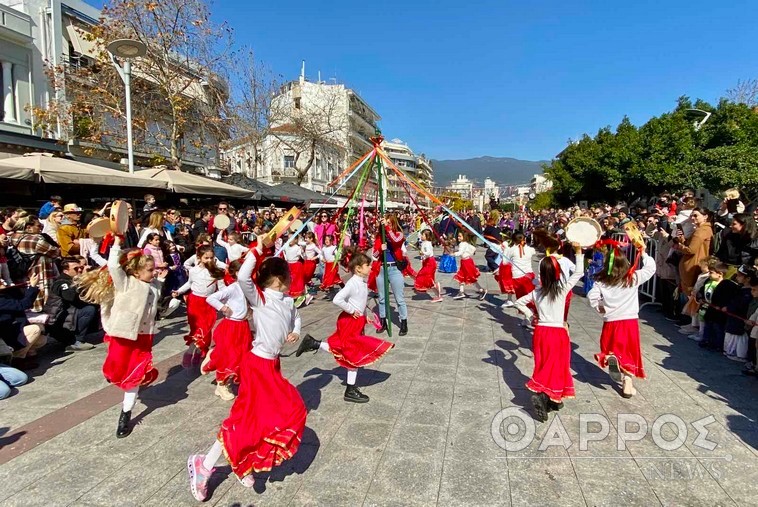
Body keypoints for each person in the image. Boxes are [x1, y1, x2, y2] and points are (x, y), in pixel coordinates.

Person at [187, 242, 306, 500]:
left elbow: (296, 316)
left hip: (271, 364)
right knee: (247, 420)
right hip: (257, 365)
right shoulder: (261, 297)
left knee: (273, 415)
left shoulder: (287, 300)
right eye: (288, 274)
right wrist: (258, 249)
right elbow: (243, 276)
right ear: (279, 278)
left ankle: (239, 460)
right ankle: (204, 466)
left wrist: (296, 331)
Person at [76, 236, 164, 438]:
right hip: (123, 334)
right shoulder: (126, 283)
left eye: (154, 270)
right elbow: (114, 265)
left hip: (144, 337)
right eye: (150, 270)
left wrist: (162, 280)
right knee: (116, 368)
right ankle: (113, 374)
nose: (154, 272)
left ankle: (125, 414)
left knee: (135, 377)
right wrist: (116, 243)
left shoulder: (154, 285)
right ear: (135, 272)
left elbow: (153, 303)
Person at [296, 252, 394, 402]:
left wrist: (364, 314)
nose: (370, 267)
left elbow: (360, 301)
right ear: (358, 269)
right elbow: (337, 299)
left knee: (348, 351)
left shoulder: (361, 281)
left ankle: (314, 344)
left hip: (356, 320)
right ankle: (350, 389)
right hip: (349, 321)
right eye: (367, 265)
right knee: (352, 353)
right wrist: (352, 310)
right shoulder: (353, 283)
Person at [514, 242, 584, 422]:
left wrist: (531, 317)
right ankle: (543, 394)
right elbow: (578, 273)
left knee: (544, 363)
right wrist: (578, 252)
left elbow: (518, 302)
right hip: (557, 332)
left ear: (541, 273)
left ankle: (553, 398)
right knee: (558, 365)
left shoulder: (536, 293)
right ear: (557, 273)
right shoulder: (561, 291)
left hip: (540, 332)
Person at [588, 241, 656, 398]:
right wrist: (643, 252)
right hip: (629, 321)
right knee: (629, 351)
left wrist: (599, 306)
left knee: (612, 347)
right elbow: (650, 268)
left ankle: (613, 358)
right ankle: (627, 382)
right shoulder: (632, 279)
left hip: (611, 321)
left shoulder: (602, 281)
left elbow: (592, 296)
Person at [203, 260, 252, 401]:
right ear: (237, 273)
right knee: (230, 356)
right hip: (232, 326)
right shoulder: (232, 288)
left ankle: (215, 357)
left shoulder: (247, 287)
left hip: (243, 326)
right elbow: (211, 298)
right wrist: (223, 308)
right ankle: (222, 384)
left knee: (243, 355)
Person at [173, 245, 225, 367]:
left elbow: (223, 289)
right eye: (206, 258)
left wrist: (225, 303)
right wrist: (179, 291)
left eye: (212, 258)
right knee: (197, 329)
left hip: (209, 303)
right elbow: (189, 283)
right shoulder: (193, 271)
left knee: (206, 330)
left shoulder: (217, 271)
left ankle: (199, 351)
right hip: (195, 303)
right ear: (199, 258)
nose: (210, 260)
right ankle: (190, 351)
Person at [43, 257, 98, 352]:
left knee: (94, 305)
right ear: (66, 271)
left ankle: (77, 338)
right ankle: (76, 341)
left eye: (81, 267)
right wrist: (80, 280)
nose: (80, 270)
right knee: (89, 309)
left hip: (69, 317)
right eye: (76, 269)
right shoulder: (61, 282)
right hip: (57, 322)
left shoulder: (72, 280)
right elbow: (70, 296)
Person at [10, 216, 60, 312]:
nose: (41, 228)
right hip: (38, 275)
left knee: (26, 303)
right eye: (38, 225)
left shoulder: (12, 237)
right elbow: (55, 252)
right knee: (42, 306)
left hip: (21, 277)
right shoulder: (36, 240)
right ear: (28, 227)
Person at [0, 273, 47, 370]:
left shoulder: (5, 294)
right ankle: (17, 359)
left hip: (14, 328)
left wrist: (27, 287)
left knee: (41, 339)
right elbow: (24, 304)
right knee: (35, 329)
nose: (3, 281)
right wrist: (33, 286)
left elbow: (22, 299)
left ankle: (26, 354)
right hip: (7, 334)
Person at [374, 214, 409, 336]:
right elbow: (374, 255)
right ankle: (383, 321)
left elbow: (395, 241)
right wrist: (380, 250)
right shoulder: (379, 237)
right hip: (382, 269)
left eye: (389, 223)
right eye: (385, 223)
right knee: (382, 298)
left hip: (394, 269)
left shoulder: (398, 234)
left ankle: (403, 322)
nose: (386, 225)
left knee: (399, 299)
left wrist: (388, 229)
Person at [674, 207, 714, 297]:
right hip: (693, 265)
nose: (692, 217)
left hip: (693, 267)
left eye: (695, 215)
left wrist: (678, 246)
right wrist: (682, 240)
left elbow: (691, 250)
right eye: (692, 215)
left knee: (689, 297)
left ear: (705, 216)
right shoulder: (701, 229)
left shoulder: (701, 231)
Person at [498, 232, 536, 308]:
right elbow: (533, 252)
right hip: (529, 275)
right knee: (529, 296)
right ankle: (530, 314)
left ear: (513, 240)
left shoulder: (511, 250)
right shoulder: (530, 249)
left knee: (521, 298)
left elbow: (505, 262)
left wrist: (505, 250)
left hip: (517, 276)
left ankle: (528, 316)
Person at [452, 230, 486, 300]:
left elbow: (460, 252)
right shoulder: (465, 243)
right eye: (458, 236)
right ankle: (461, 292)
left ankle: (482, 290)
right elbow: (473, 249)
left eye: (460, 236)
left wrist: (454, 254)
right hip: (466, 262)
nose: (458, 237)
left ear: (464, 237)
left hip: (466, 263)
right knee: (462, 276)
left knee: (470, 278)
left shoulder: (462, 244)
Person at [413, 229, 443, 302]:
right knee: (427, 278)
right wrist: (422, 256)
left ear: (427, 236)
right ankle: (438, 296)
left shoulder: (427, 243)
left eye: (423, 235)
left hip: (430, 263)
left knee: (424, 277)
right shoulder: (425, 243)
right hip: (427, 262)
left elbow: (428, 253)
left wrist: (423, 253)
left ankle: (436, 286)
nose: (421, 236)